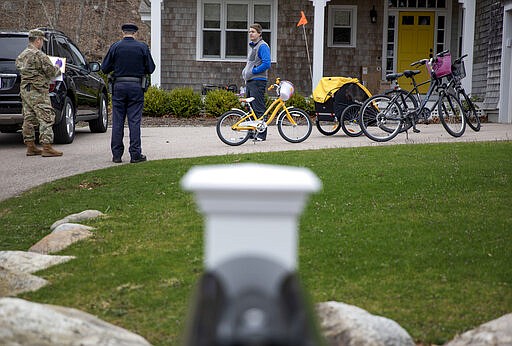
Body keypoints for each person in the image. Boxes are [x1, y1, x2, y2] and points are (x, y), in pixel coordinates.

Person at [101, 23, 156, 163]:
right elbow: (151, 68)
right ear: (135, 34)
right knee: (134, 121)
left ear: (123, 33)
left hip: (119, 86)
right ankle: (135, 154)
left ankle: (117, 155)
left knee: (118, 121)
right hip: (136, 86)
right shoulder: (142, 47)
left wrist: (116, 65)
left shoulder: (115, 47)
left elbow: (105, 68)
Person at [16, 29, 63, 157]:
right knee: (46, 116)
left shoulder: (22, 55)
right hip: (38, 90)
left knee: (29, 118)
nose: (42, 43)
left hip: (25, 90)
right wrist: (59, 66)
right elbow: (52, 72)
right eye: (42, 40)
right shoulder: (39, 55)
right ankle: (47, 147)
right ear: (38, 40)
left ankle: (30, 146)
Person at [242, 23, 271, 141]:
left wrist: (254, 71)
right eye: (249, 32)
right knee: (250, 109)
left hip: (258, 81)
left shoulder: (263, 46)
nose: (250, 34)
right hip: (250, 81)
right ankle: (251, 133)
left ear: (259, 33)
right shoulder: (253, 47)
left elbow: (266, 63)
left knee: (258, 108)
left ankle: (261, 134)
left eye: (253, 31)